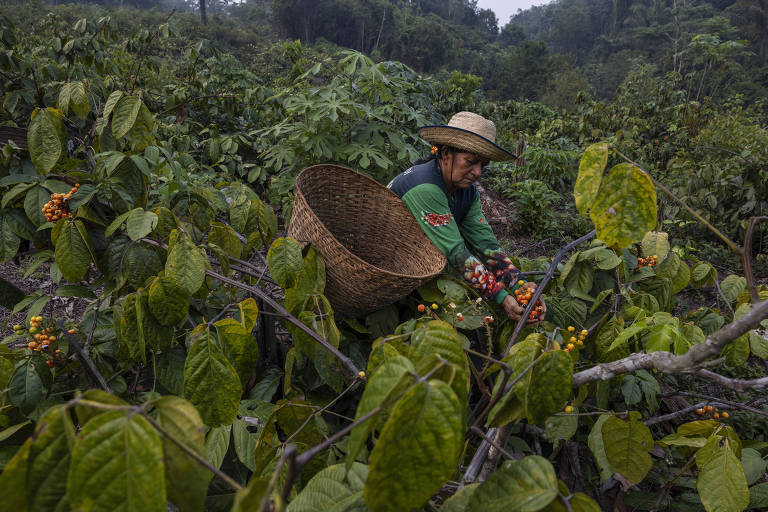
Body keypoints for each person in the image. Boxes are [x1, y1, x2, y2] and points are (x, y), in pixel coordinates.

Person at [388, 111, 546, 324]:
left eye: (483, 165)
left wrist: (520, 284)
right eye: (470, 162)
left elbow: (486, 244)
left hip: (416, 263)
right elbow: (456, 253)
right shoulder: (426, 187)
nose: (477, 172)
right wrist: (503, 298)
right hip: (388, 266)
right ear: (445, 154)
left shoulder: (467, 192)